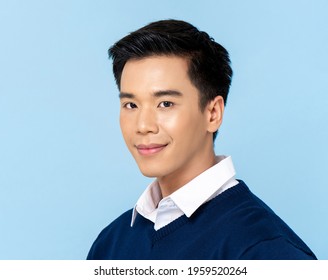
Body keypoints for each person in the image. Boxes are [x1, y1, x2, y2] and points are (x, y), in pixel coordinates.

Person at [87, 19, 316, 260]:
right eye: (131, 105)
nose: (143, 126)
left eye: (165, 104)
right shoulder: (111, 243)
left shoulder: (263, 249)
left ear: (213, 113)